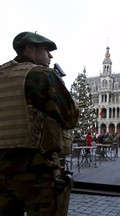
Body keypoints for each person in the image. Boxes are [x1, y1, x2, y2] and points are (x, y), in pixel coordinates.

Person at [0, 32, 79, 215]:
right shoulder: (42, 75)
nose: (50, 56)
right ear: (30, 48)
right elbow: (71, 118)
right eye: (46, 50)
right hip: (35, 170)